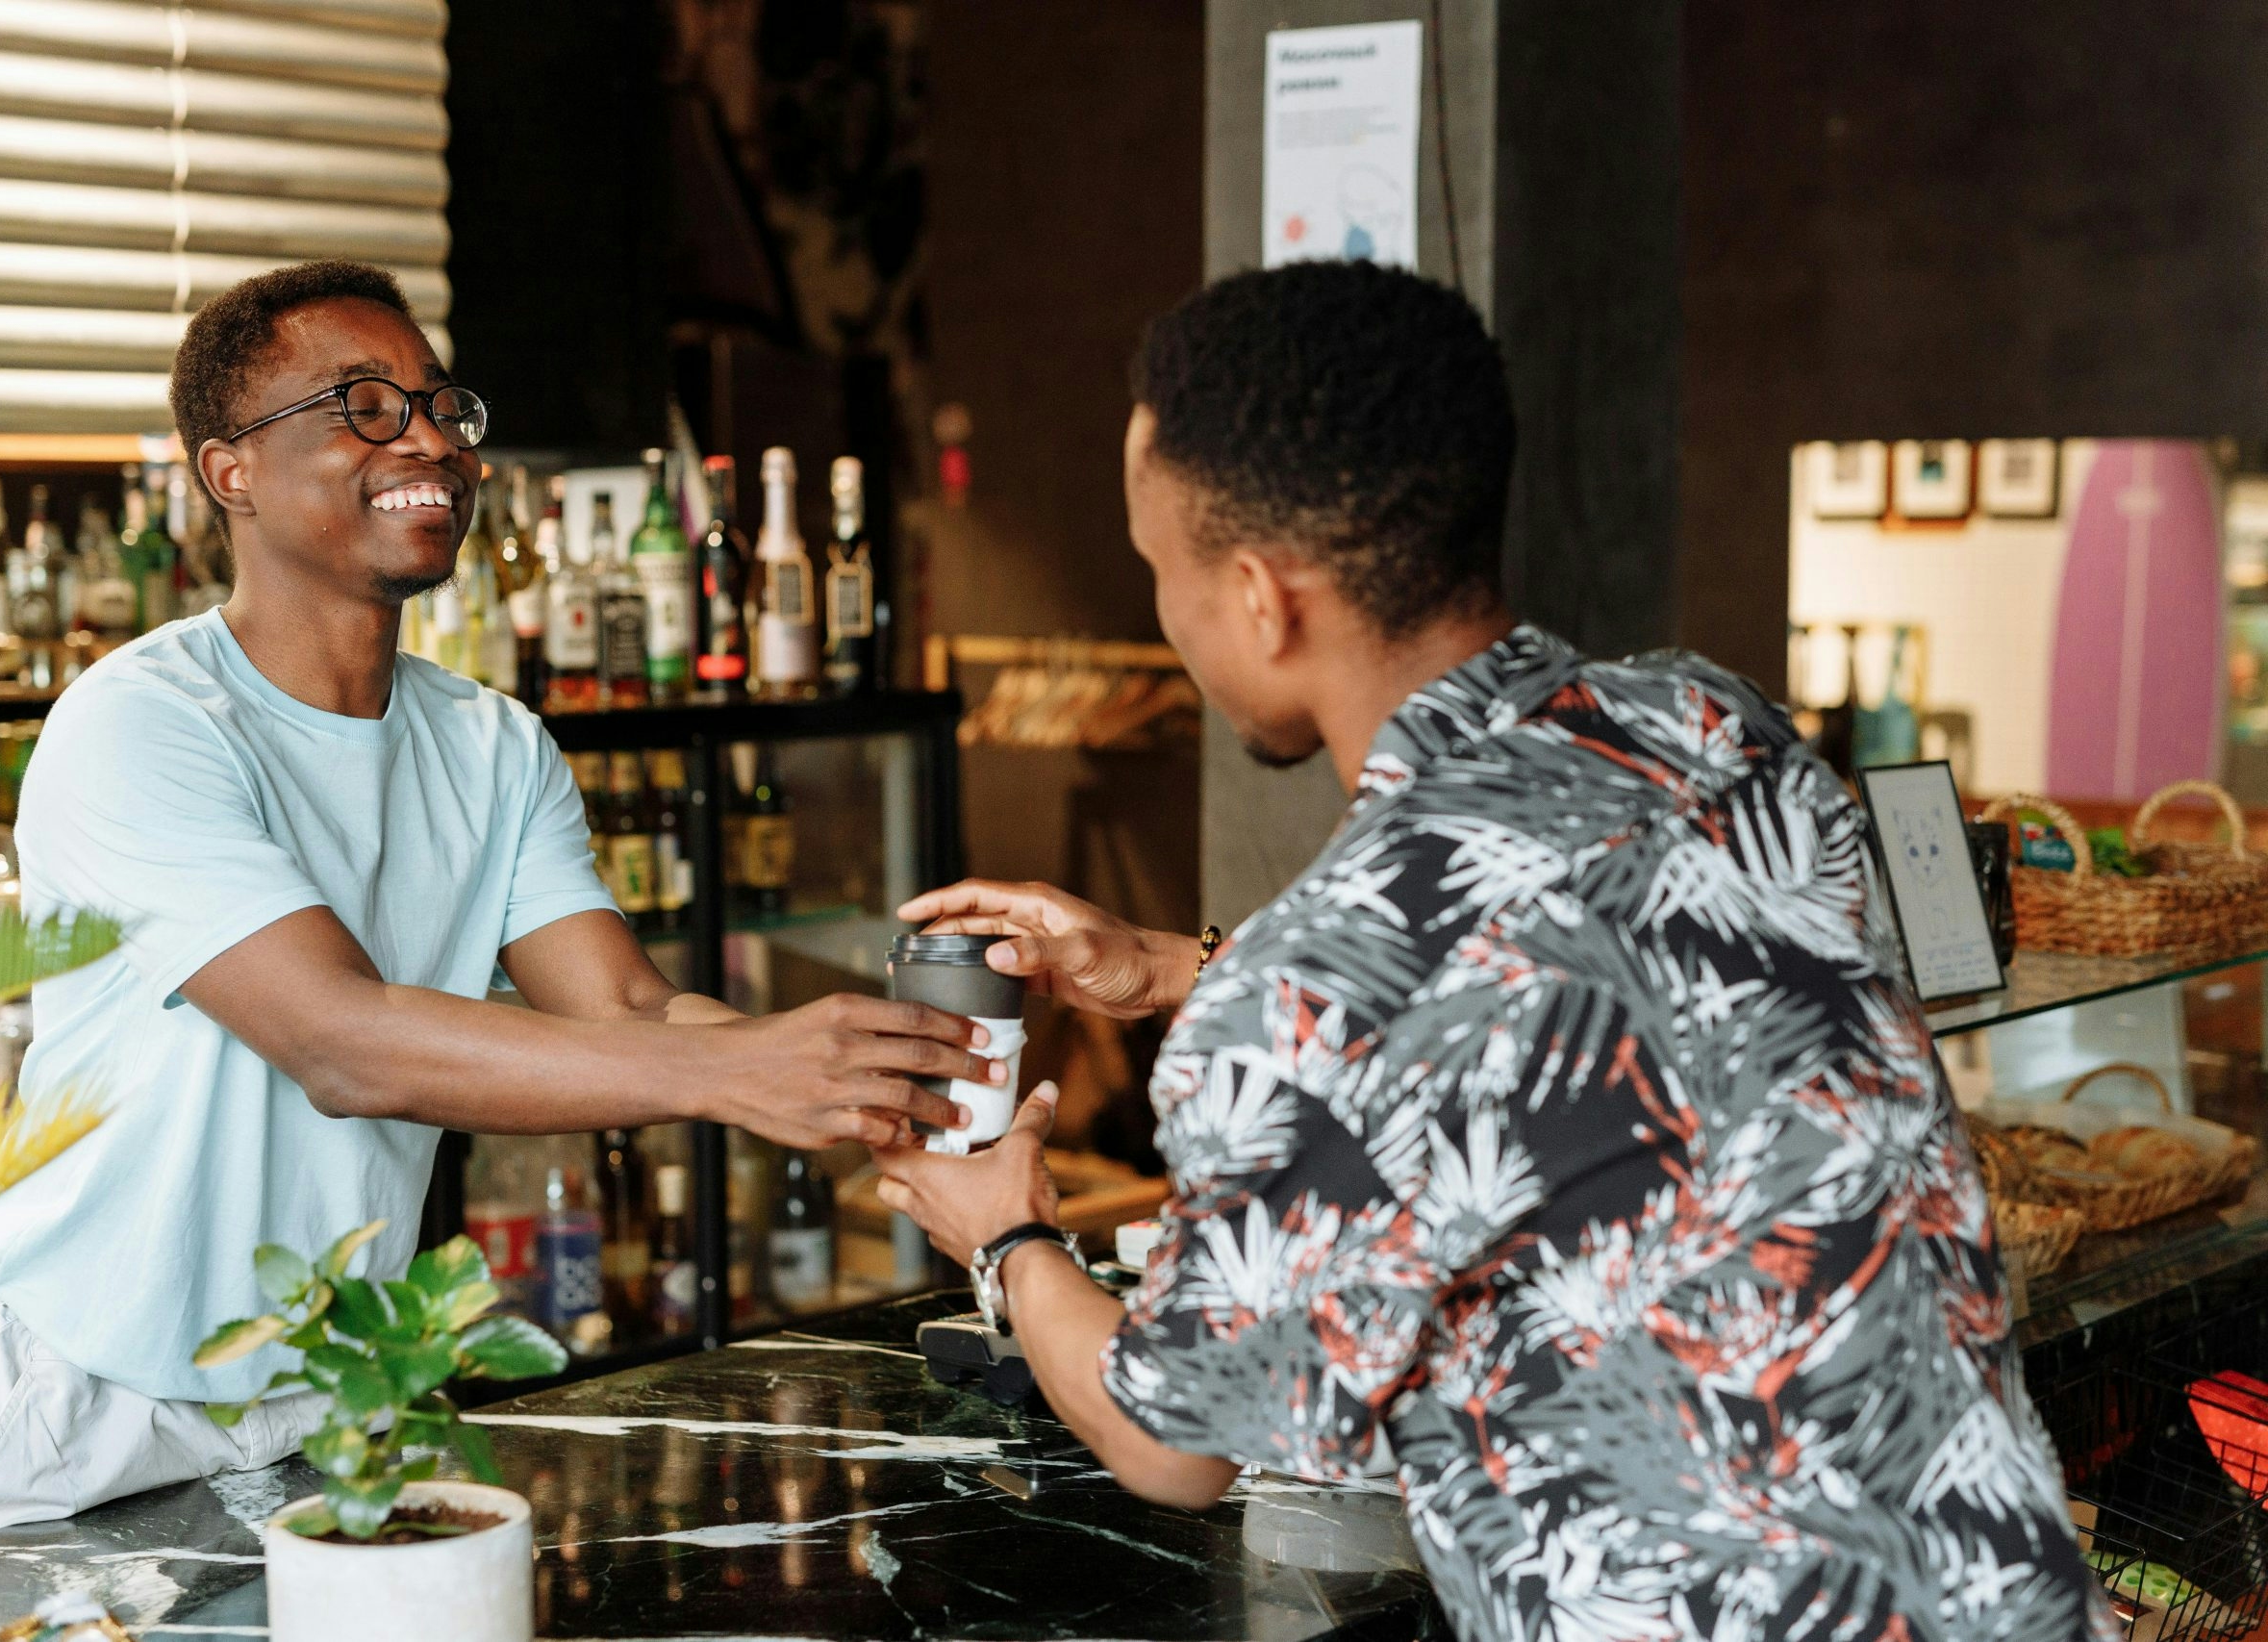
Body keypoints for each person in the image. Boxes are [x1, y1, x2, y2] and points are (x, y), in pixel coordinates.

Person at [874, 262, 2109, 1640]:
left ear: (1262, 599)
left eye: (1160, 569)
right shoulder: (1716, 729)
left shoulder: (1324, 983)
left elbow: (1178, 1439)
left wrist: (1007, 1237)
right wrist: (1173, 967)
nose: (1164, 608)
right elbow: (1543, 985)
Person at [0, 260, 1001, 1536]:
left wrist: (859, 1076)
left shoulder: (495, 746)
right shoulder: (141, 724)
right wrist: (738, 1072)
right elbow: (343, 1042)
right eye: (363, 407)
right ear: (231, 472)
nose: (429, 440)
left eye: (439, 404)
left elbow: (627, 1009)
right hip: (78, 1382)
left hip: (330, 1381)